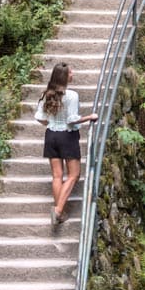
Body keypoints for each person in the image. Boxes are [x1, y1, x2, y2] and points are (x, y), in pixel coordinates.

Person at [33, 62, 96, 225]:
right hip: (67, 136)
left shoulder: (47, 94)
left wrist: (51, 123)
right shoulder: (72, 95)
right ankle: (58, 210)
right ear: (64, 77)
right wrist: (90, 117)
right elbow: (71, 120)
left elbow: (39, 117)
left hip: (51, 135)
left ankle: (59, 213)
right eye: (70, 73)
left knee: (57, 175)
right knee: (74, 174)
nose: (72, 75)